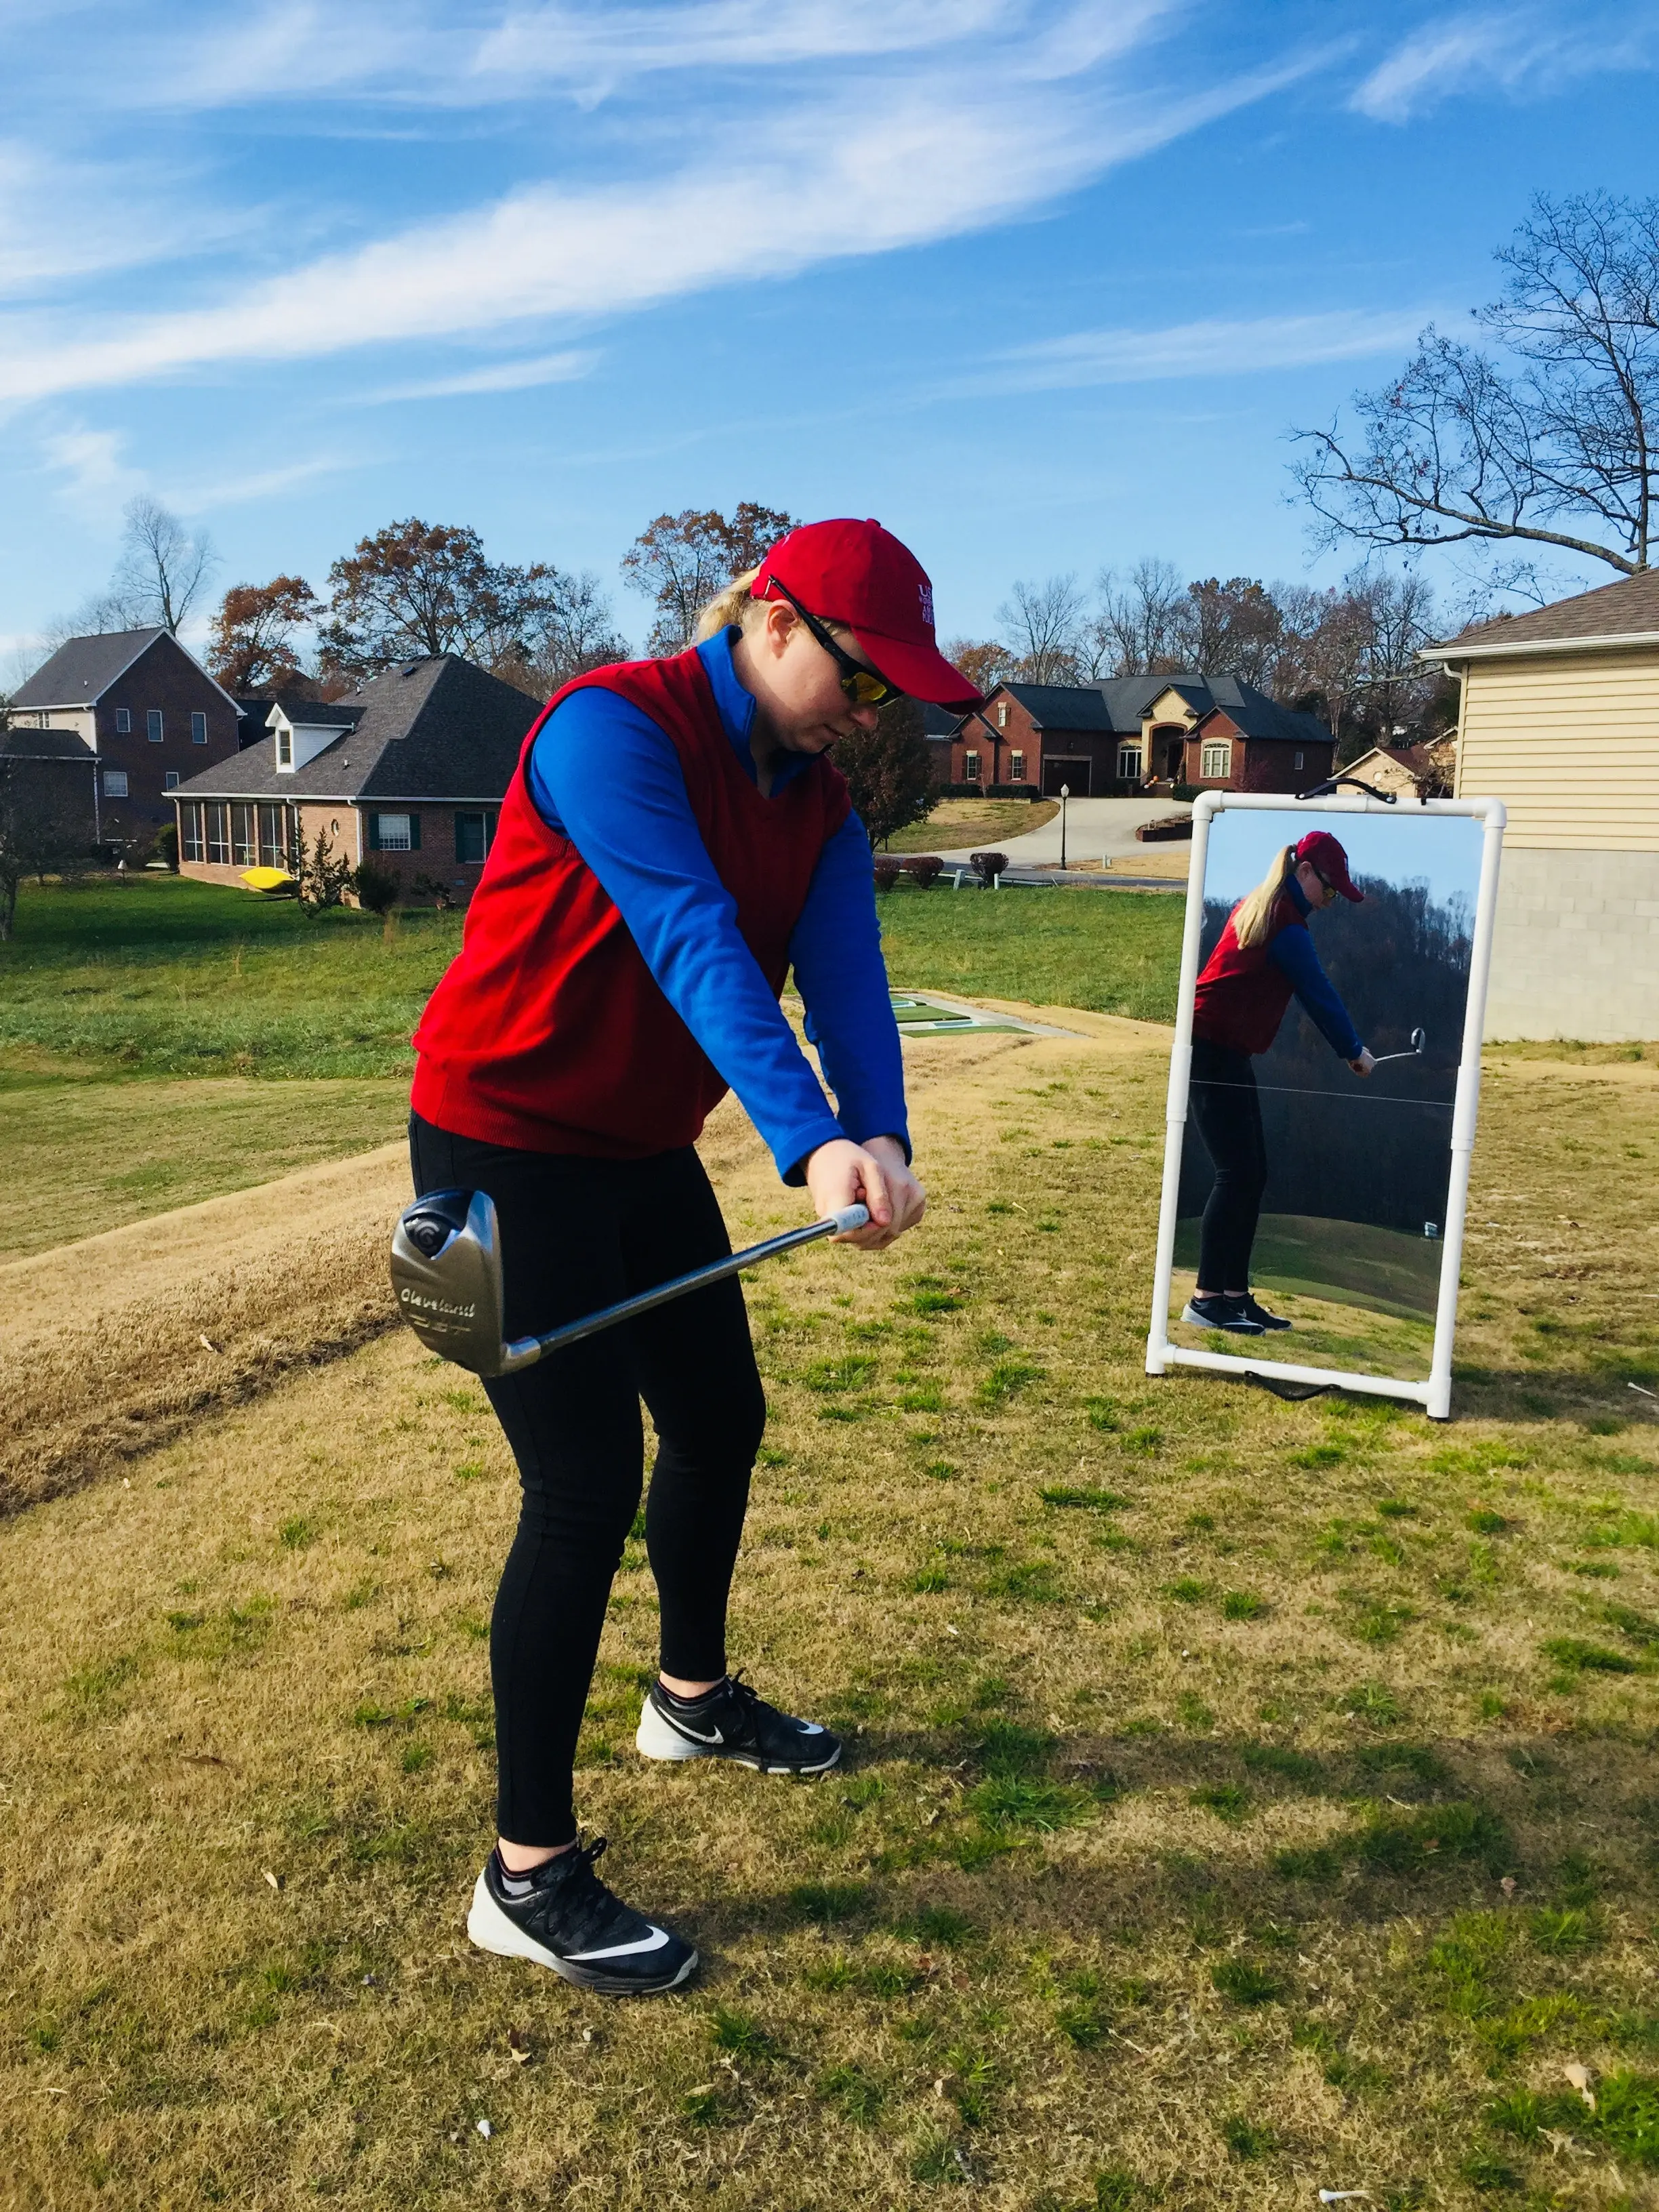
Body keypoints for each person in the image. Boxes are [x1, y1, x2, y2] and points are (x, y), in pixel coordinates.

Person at [407, 518, 979, 1996]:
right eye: (866, 683)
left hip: (640, 1150)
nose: (878, 717)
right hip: (503, 1147)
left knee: (721, 1417)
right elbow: (690, 934)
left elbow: (848, 976)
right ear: (775, 622)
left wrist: (885, 1131)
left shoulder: (824, 814)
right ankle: (524, 1875)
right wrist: (806, 1141)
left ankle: (690, 1697)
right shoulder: (612, 729)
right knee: (583, 1484)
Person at [1181, 830, 1376, 1336]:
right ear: (1304, 871)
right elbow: (1319, 993)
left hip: (1229, 1052)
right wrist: (1353, 1051)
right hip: (1207, 1048)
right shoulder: (1285, 925)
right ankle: (1205, 1300)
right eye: (1330, 890)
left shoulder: (1264, 908)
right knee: (1235, 1173)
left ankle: (1234, 1295)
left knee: (1254, 1172)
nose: (1331, 902)